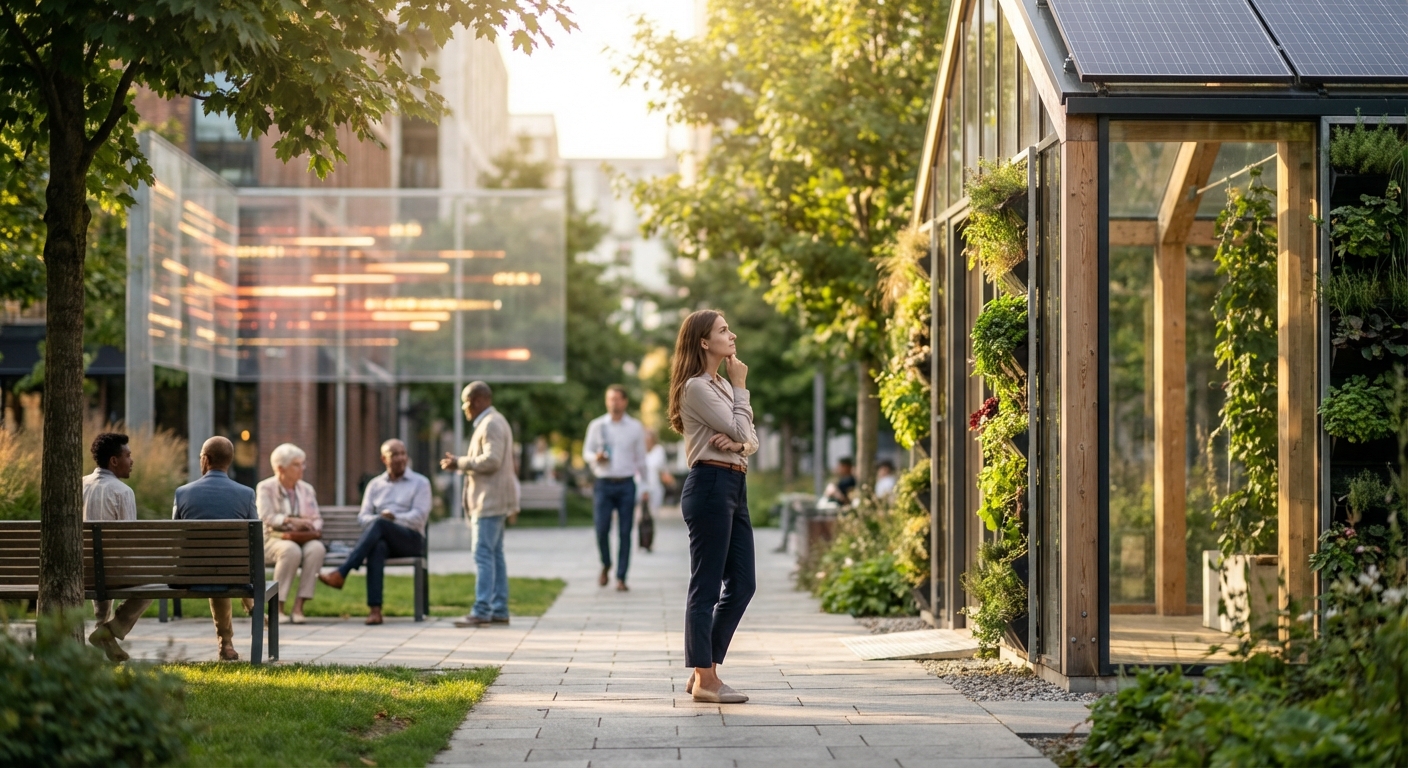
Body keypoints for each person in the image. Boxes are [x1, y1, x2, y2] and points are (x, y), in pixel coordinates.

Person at [669, 309, 758, 704]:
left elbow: (748, 439)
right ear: (705, 342)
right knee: (705, 586)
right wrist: (742, 390)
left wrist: (739, 443)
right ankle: (705, 678)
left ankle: (704, 669)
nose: (732, 334)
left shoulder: (723, 385)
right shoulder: (697, 388)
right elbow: (743, 428)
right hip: (709, 483)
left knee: (742, 583)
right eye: (723, 330)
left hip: (735, 484)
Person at [318, 439, 430, 625]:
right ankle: (375, 611)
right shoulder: (375, 485)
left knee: (380, 524)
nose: (401, 458)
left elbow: (419, 517)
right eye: (394, 454)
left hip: (410, 540)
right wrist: (381, 520)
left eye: (403, 453)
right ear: (383, 458)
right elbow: (363, 517)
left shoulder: (420, 483)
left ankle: (343, 572)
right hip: (384, 538)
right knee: (377, 546)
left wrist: (392, 517)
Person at [173, 436, 258, 661]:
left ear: (206, 460)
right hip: (234, 575)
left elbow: (176, 537)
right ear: (229, 461)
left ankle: (226, 642)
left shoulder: (183, 493)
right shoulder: (246, 494)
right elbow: (254, 542)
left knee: (213, 567)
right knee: (221, 568)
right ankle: (227, 643)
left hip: (191, 575)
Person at [440, 381, 516, 627]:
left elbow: (492, 460)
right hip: (493, 500)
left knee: (483, 555)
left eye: (467, 401)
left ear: (479, 400)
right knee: (494, 555)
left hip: (489, 501)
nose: (464, 407)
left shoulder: (491, 423)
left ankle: (482, 610)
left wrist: (460, 463)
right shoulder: (493, 421)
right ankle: (499, 608)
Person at [83, 432, 149, 662]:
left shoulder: (77, 485)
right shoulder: (123, 492)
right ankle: (111, 630)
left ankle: (104, 634)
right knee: (153, 581)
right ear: (114, 461)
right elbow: (127, 541)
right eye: (128, 455)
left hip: (76, 570)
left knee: (100, 563)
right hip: (109, 571)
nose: (132, 461)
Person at [582, 385, 648, 591]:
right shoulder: (597, 425)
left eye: (618, 399)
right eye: (610, 399)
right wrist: (595, 457)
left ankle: (621, 577)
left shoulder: (635, 427)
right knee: (601, 529)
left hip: (627, 483)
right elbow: (586, 451)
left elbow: (641, 459)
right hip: (603, 483)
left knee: (625, 532)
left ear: (625, 402)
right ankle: (606, 563)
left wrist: (645, 486)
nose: (614, 403)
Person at [255, 443, 325, 624]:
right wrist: (291, 521)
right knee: (290, 550)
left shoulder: (306, 489)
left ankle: (299, 607)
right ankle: (277, 607)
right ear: (280, 468)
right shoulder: (265, 488)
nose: (302, 468)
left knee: (317, 548)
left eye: (303, 463)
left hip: (303, 538)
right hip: (273, 539)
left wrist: (310, 525)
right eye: (297, 464)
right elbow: (266, 517)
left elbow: (317, 518)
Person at [636, 430, 674, 553]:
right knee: (640, 516)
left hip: (655, 488)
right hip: (640, 487)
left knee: (651, 516)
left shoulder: (659, 451)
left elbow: (662, 469)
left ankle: (648, 543)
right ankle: (641, 542)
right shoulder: (638, 451)